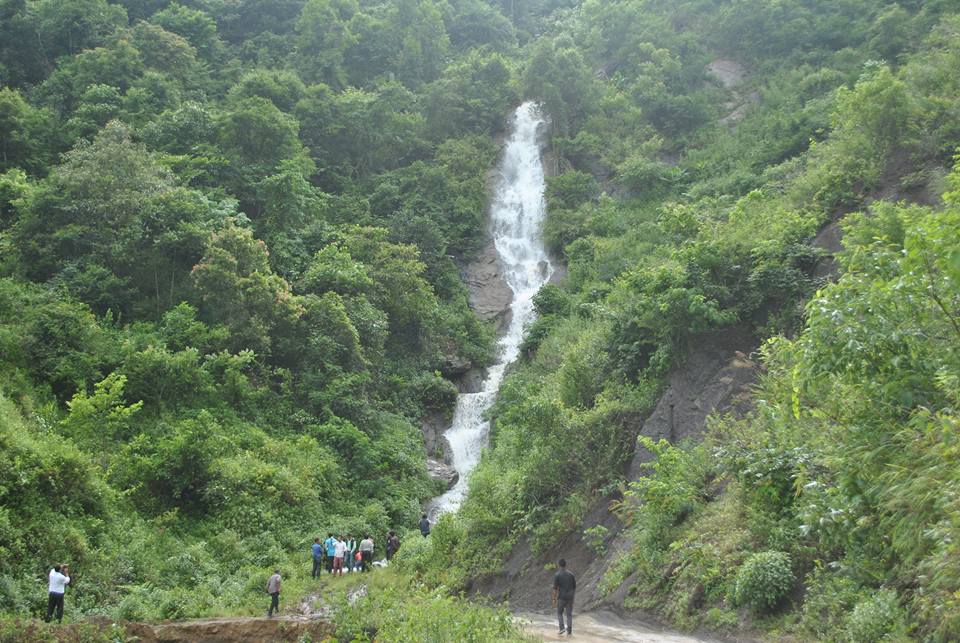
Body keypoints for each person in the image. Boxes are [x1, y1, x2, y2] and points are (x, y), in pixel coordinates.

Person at [552, 559, 576, 636]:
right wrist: (572, 597)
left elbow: (555, 588)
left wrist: (554, 599)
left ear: (559, 565)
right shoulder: (571, 574)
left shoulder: (557, 575)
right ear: (565, 565)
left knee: (559, 613)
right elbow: (574, 587)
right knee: (569, 614)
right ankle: (569, 632)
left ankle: (562, 628)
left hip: (561, 597)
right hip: (570, 598)